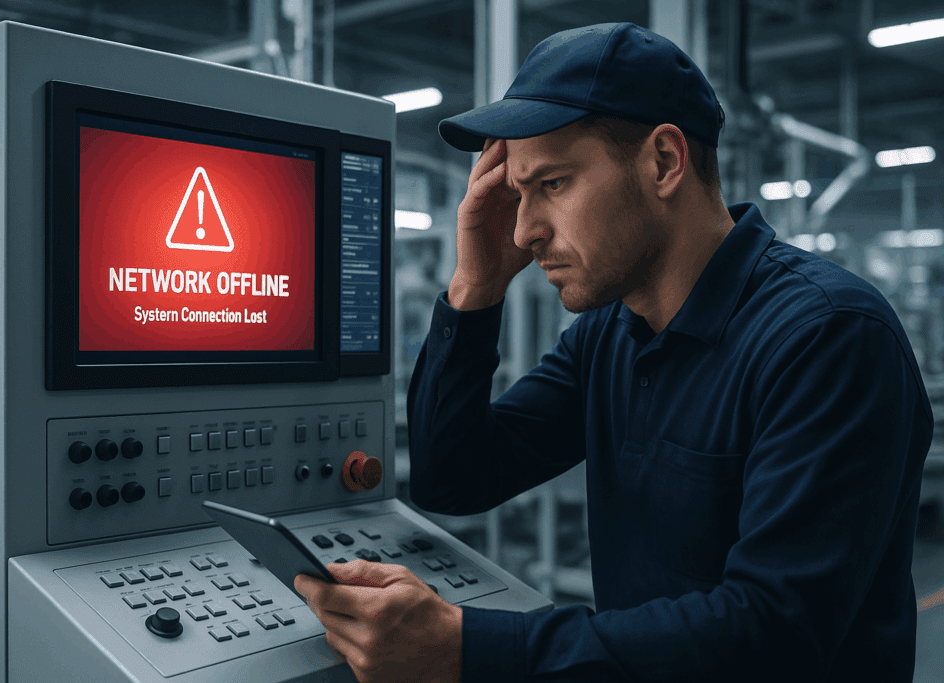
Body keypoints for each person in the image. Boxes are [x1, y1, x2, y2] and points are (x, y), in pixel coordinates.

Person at [295, 22, 934, 682]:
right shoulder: (611, 336)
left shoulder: (826, 336)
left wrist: (471, 648)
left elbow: (773, 630)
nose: (524, 229)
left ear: (663, 162)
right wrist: (475, 287)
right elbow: (453, 475)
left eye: (554, 184)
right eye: (518, 192)